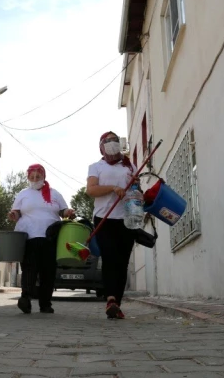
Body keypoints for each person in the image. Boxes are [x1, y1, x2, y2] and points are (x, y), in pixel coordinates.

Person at [8, 164, 74, 314]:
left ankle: (45, 304)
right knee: (29, 269)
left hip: (50, 237)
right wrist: (13, 215)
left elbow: (63, 210)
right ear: (28, 177)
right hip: (29, 236)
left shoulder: (54, 193)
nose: (35, 179)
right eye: (32, 177)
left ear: (44, 177)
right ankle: (26, 299)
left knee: (48, 271)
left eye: (38, 177)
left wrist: (68, 211)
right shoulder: (23, 194)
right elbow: (17, 212)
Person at [86, 131, 137, 319]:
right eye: (107, 142)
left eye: (115, 141)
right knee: (109, 258)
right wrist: (113, 188)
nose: (112, 144)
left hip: (127, 218)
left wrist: (135, 187)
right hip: (104, 219)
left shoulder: (129, 166)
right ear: (101, 147)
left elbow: (135, 190)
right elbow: (91, 190)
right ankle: (110, 299)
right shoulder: (96, 167)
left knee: (122, 262)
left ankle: (117, 304)